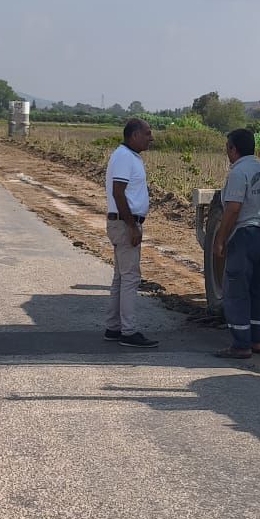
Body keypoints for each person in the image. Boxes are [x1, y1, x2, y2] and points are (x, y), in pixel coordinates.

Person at [211, 127, 260, 358]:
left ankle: (240, 345)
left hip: (245, 235)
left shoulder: (238, 173)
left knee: (236, 291)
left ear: (233, 149)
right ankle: (257, 341)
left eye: (228, 148)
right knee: (257, 290)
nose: (227, 153)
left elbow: (233, 209)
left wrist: (220, 240)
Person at [105, 118, 158, 348]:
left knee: (120, 277)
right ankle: (128, 331)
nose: (151, 138)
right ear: (134, 135)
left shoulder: (128, 156)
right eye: (147, 133)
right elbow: (119, 193)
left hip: (122, 223)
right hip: (125, 224)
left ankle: (114, 328)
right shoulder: (125, 157)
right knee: (130, 278)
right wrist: (132, 226)